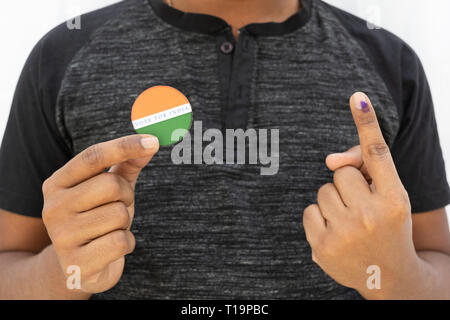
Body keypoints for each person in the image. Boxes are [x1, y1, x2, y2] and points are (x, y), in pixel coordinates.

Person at [0, 0, 449, 299]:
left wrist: (394, 276)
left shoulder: (389, 62)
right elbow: (9, 265)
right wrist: (65, 271)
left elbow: (438, 262)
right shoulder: (63, 56)